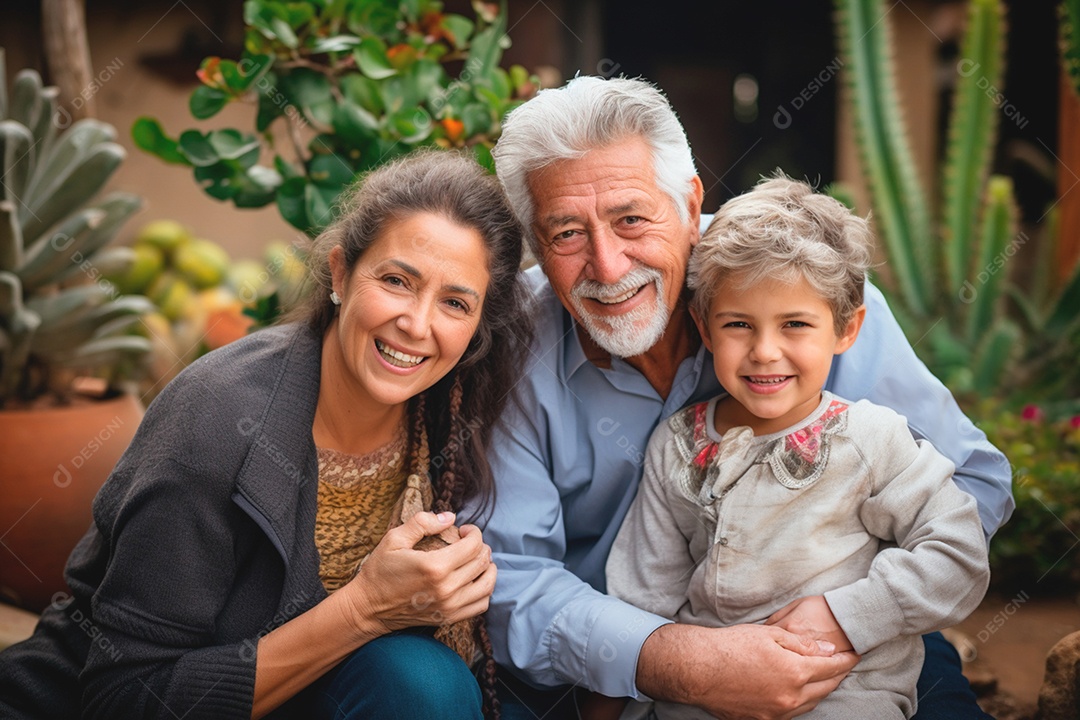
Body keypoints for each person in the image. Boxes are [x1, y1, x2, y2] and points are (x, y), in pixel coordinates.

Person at [482, 76, 1011, 719]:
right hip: (611, 669)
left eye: (631, 218)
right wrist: (675, 661)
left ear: (690, 199)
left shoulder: (805, 284)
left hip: (854, 657)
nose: (609, 265)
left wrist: (840, 620)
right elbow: (511, 578)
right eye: (565, 233)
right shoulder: (508, 348)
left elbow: (971, 486)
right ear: (536, 244)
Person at [0, 150, 533, 720]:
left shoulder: (448, 403)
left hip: (315, 695)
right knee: (424, 687)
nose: (417, 324)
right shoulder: (216, 417)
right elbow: (126, 698)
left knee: (443, 686)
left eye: (455, 302)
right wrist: (368, 608)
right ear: (339, 274)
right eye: (397, 281)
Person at [602, 174, 990, 719]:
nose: (764, 352)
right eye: (739, 324)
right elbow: (643, 594)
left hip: (842, 692)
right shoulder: (676, 445)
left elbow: (958, 554)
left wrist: (848, 614)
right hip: (706, 695)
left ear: (846, 329)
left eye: (795, 325)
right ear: (705, 330)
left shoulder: (873, 438)